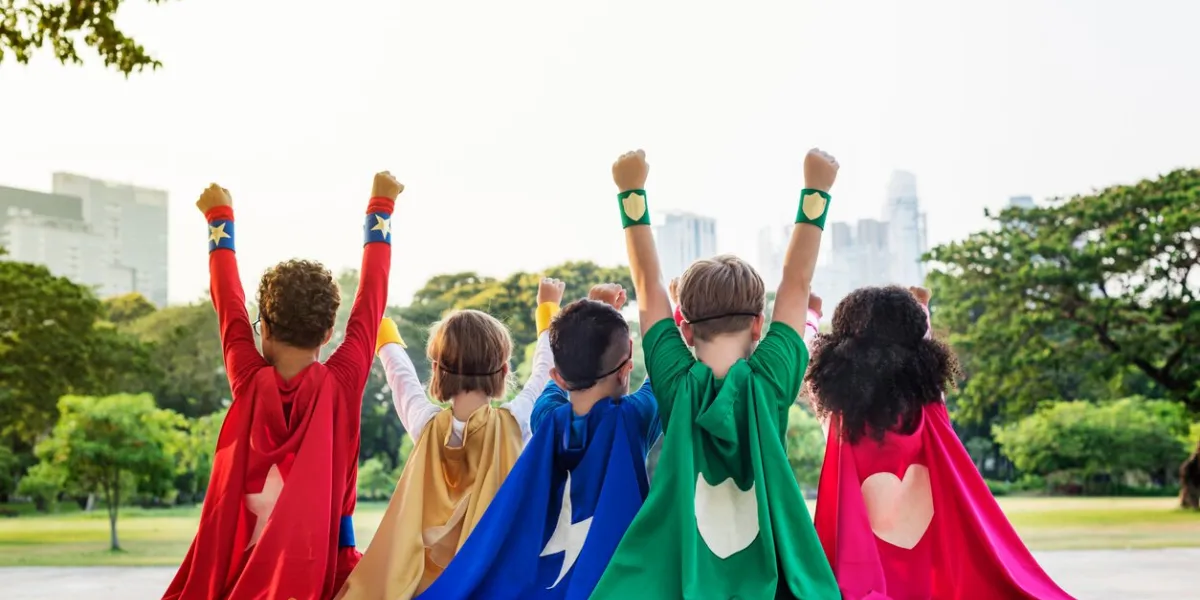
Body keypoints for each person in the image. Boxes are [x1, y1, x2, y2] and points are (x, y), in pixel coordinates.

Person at [592, 149, 840, 598]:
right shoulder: (771, 379)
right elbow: (796, 281)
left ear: (684, 327)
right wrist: (816, 191)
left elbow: (647, 282)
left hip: (680, 579)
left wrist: (631, 193)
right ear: (759, 324)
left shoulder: (673, 381)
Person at [164, 173, 401, 600]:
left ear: (264, 329)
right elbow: (371, 301)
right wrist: (380, 209)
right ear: (329, 332)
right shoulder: (342, 384)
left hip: (240, 573)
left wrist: (220, 220)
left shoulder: (247, 380)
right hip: (329, 574)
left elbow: (228, 305)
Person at [810, 285, 1074, 600]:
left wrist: (810, 314)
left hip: (863, 571)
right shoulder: (931, 401)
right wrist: (921, 308)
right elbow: (922, 342)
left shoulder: (835, 412)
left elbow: (804, 350)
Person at [416, 284, 661, 600]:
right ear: (627, 366)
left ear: (558, 378)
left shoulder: (546, 416)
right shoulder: (636, 417)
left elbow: (546, 378)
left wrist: (587, 310)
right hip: (613, 586)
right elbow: (661, 368)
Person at [335, 278, 565, 599]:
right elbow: (545, 367)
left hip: (422, 588)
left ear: (436, 370)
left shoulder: (426, 424)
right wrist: (548, 309)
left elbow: (398, 371)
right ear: (503, 370)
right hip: (491, 585)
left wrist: (381, 321)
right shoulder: (516, 422)